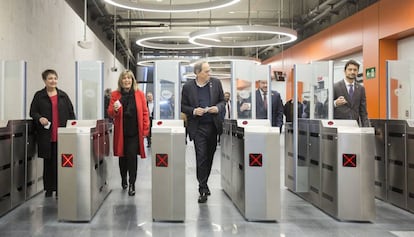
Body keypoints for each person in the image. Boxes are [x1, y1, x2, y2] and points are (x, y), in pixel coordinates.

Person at [181, 62, 225, 203]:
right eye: (206, 71)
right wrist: (194, 111)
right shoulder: (188, 87)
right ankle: (202, 188)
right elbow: (183, 105)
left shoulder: (216, 83)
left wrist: (217, 108)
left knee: (210, 156)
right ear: (198, 73)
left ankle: (204, 182)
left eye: (209, 71)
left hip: (213, 126)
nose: (209, 73)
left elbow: (222, 101)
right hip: (198, 127)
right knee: (201, 157)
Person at [30, 69, 76, 198]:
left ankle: (59, 188)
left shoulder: (63, 96)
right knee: (48, 163)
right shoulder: (39, 96)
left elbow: (71, 113)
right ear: (44, 80)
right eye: (50, 78)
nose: (53, 81)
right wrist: (39, 118)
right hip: (46, 135)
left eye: (55, 78)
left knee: (61, 163)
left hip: (62, 135)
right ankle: (49, 188)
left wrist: (72, 128)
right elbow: (32, 112)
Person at [107, 70, 149, 196]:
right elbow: (110, 112)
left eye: (129, 78)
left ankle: (132, 183)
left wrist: (146, 129)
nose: (127, 80)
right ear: (121, 81)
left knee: (132, 157)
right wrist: (114, 110)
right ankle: (123, 179)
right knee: (122, 157)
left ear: (132, 80)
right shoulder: (115, 94)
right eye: (124, 78)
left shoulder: (139, 94)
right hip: (121, 132)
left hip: (135, 132)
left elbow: (145, 113)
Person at [333, 59, 369, 127]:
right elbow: (325, 105)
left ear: (357, 72)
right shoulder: (335, 87)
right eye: (350, 69)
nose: (352, 72)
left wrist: (366, 129)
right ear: (345, 71)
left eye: (355, 70)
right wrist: (335, 103)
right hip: (339, 126)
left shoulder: (361, 89)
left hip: (355, 126)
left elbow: (363, 112)